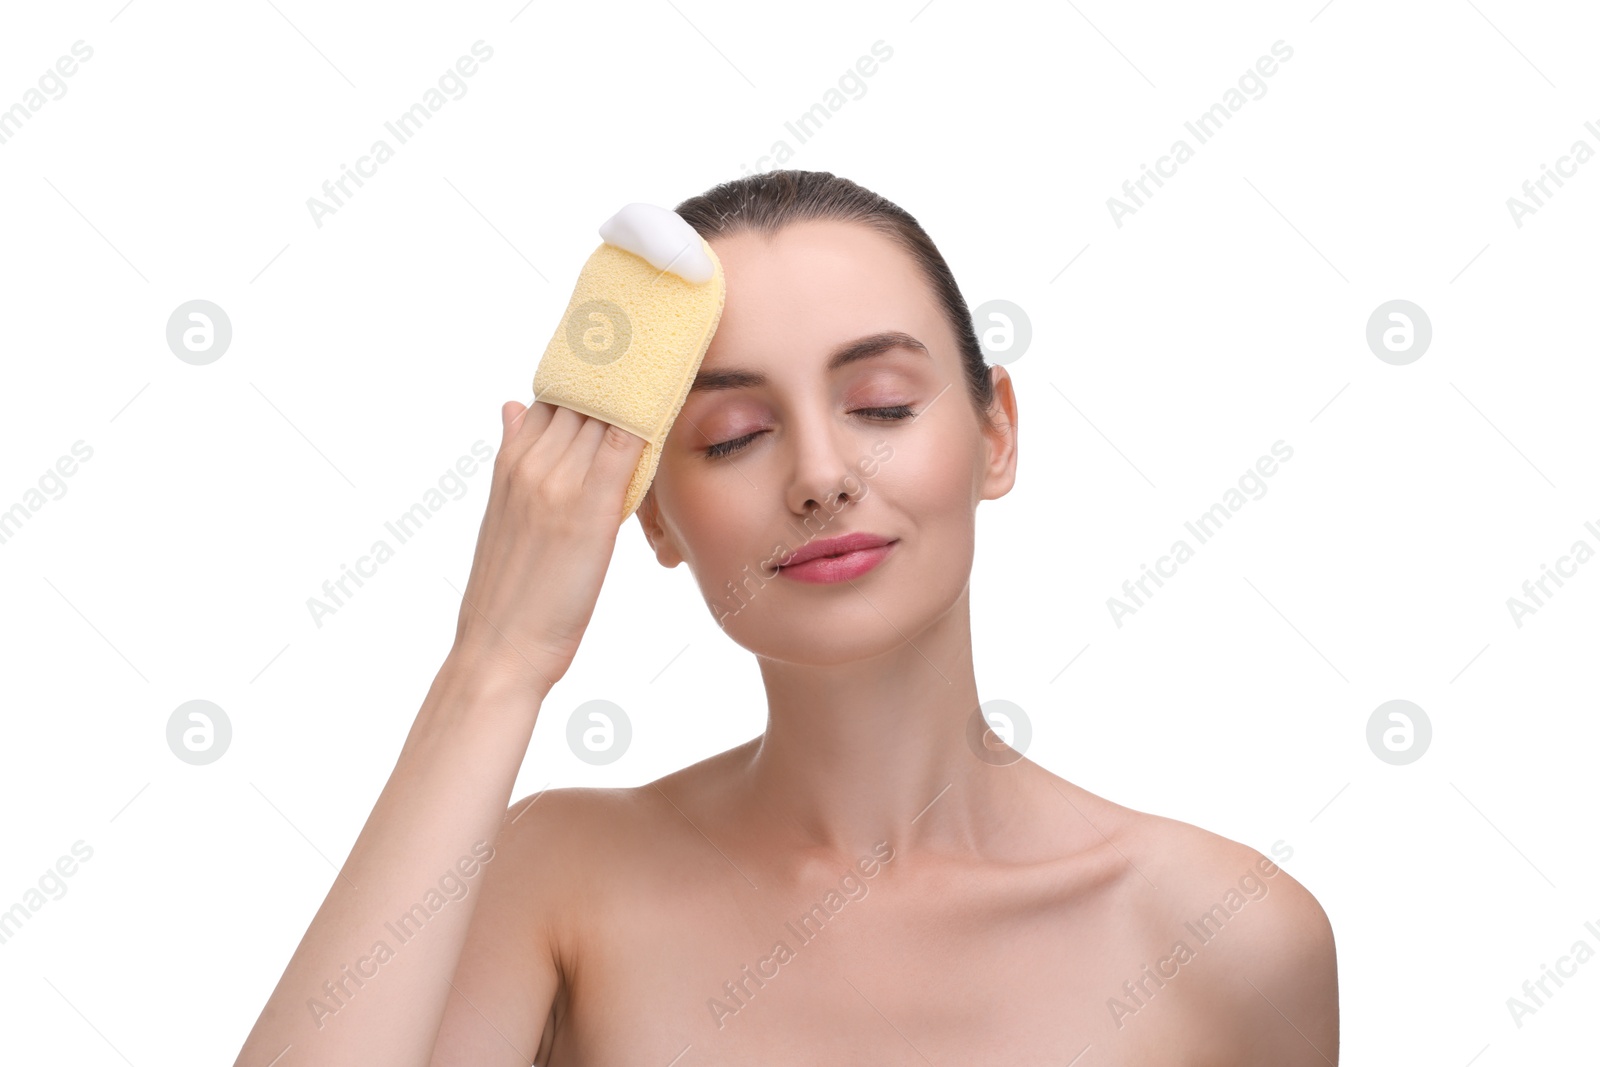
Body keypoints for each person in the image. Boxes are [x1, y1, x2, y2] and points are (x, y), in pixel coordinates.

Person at [235, 170, 1338, 1066]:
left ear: (995, 432)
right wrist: (496, 662)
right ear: (655, 514)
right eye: (729, 434)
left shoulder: (1224, 934)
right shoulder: (561, 878)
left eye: (880, 407)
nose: (819, 474)